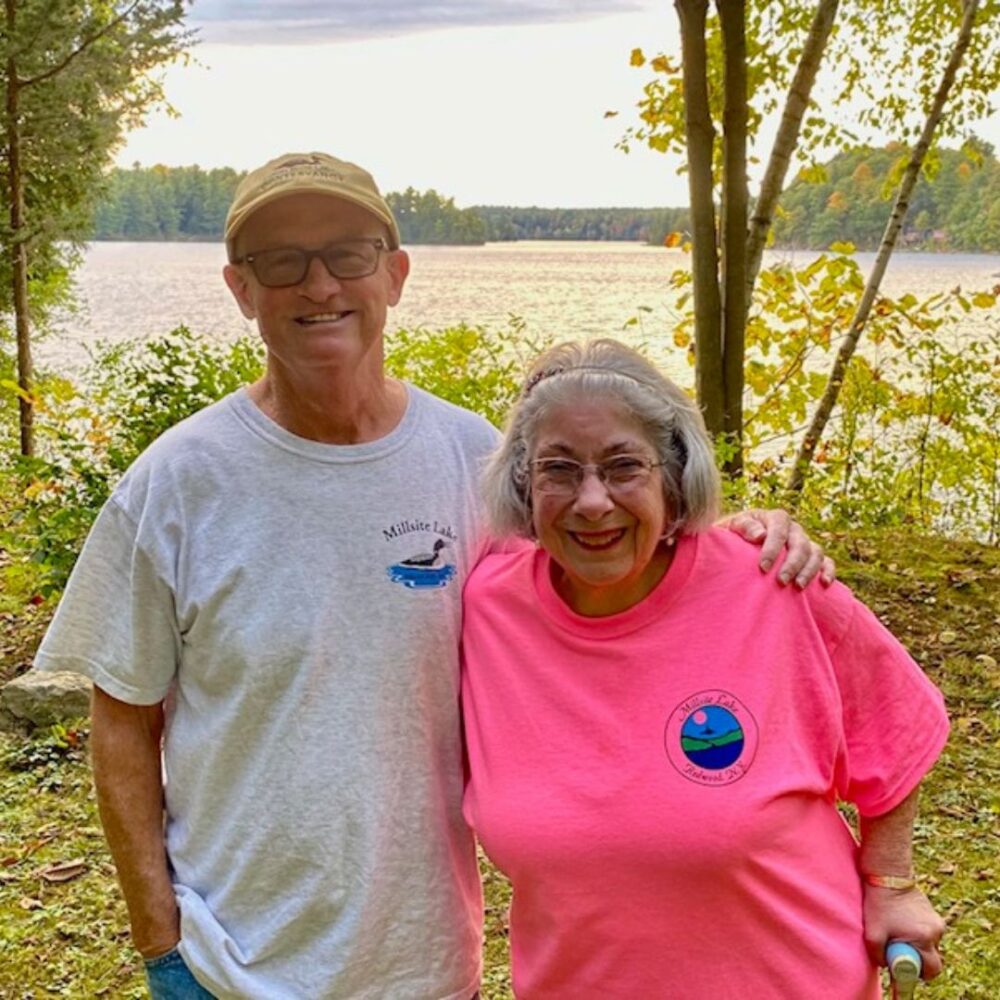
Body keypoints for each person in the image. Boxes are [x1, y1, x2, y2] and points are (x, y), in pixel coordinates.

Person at [34, 153, 830, 1000]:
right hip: (227, 965)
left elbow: (607, 588)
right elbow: (121, 718)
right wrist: (161, 949)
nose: (318, 285)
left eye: (349, 253)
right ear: (240, 288)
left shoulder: (473, 459)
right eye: (281, 262)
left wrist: (729, 537)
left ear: (396, 274)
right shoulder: (177, 483)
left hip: (428, 967)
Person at [462, 338, 949, 998]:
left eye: (624, 466)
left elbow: (895, 731)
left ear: (675, 476)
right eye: (559, 470)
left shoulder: (775, 583)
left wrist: (892, 883)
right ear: (523, 485)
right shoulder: (486, 607)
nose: (593, 501)